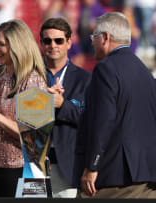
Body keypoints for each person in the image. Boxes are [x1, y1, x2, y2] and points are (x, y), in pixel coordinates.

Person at [73, 12, 156, 198]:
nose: (92, 42)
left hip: (117, 180)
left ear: (105, 38)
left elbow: (103, 121)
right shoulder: (145, 72)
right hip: (147, 179)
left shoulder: (106, 69)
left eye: (94, 37)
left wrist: (92, 166)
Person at [0, 19, 47, 197]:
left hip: (21, 170)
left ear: (17, 45)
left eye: (1, 44)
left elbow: (34, 138)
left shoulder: (34, 81)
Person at [39, 17, 91, 198]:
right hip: (33, 165)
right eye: (47, 41)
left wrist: (62, 105)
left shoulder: (85, 79)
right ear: (41, 44)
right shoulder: (30, 78)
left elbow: (90, 119)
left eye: (58, 40)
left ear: (69, 43)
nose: (53, 45)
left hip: (68, 166)